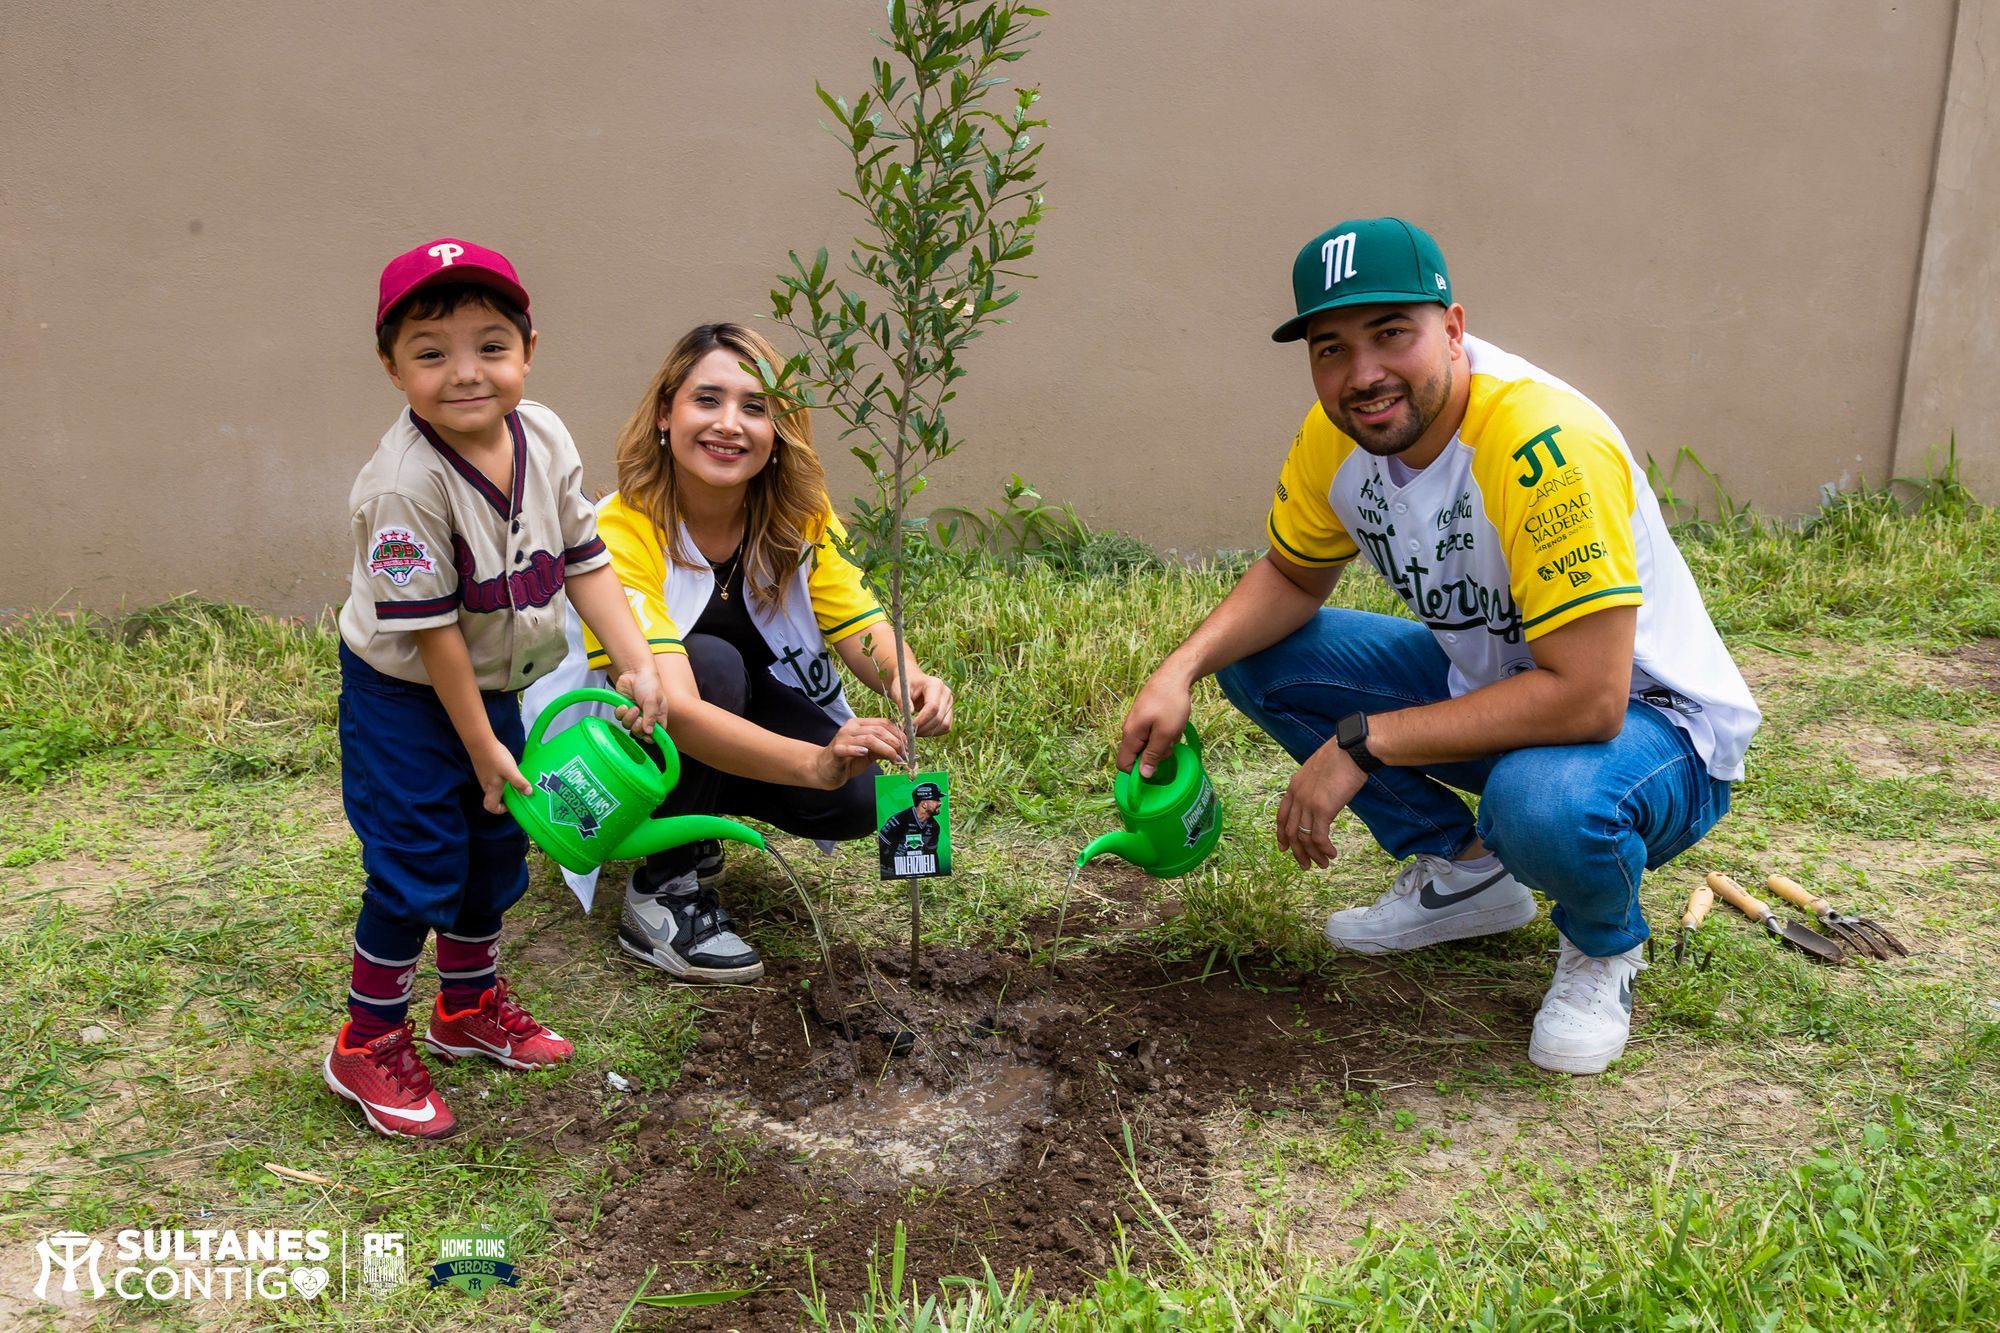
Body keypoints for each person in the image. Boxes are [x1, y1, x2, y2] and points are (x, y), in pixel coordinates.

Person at [1120, 218, 1759, 1075]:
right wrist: (1177, 669)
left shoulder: (1543, 446)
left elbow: (1588, 698)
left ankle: (1604, 948)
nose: (1362, 375)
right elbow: (1290, 576)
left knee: (1542, 803)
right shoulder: (1337, 433)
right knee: (1252, 652)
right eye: (1330, 347)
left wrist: (1363, 742)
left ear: (1453, 327)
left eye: (1392, 334)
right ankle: (1466, 873)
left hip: (1654, 731)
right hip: (1496, 690)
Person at [326, 238, 667, 1139]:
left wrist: (635, 657)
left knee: (495, 846)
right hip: (406, 700)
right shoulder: (406, 485)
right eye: (431, 352)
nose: (465, 372)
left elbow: (586, 558)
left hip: (499, 685)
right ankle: (366, 1039)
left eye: (490, 345)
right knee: (417, 863)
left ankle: (465, 1006)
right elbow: (433, 634)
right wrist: (482, 747)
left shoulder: (543, 433)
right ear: (390, 364)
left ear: (529, 349)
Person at [525, 322, 954, 983]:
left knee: (866, 794)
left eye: (756, 407)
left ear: (780, 431)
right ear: (666, 414)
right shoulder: (623, 526)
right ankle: (661, 893)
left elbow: (859, 618)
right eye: (708, 400)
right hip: (607, 751)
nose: (731, 424)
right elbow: (676, 708)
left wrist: (910, 678)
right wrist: (814, 761)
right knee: (712, 666)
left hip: (721, 713)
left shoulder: (797, 514)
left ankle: (698, 820)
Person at [877, 781, 945, 876]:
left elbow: (932, 853)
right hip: (892, 870)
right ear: (924, 804)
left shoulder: (934, 826)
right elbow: (882, 845)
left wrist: (936, 875)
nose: (940, 803)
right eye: (936, 799)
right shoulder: (898, 820)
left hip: (916, 869)